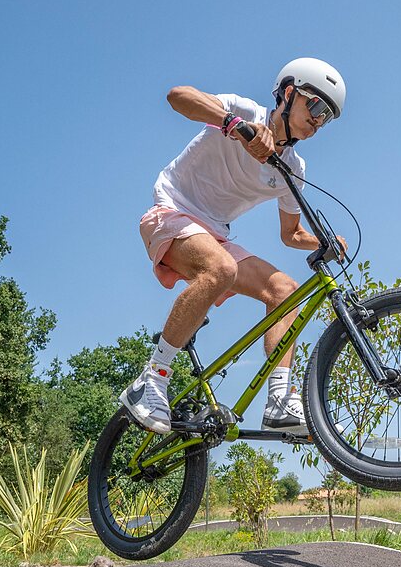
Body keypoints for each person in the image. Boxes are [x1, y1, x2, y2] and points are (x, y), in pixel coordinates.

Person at [120, 58, 347, 435]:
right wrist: (233, 125)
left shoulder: (293, 169)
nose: (319, 120)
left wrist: (324, 241)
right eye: (316, 106)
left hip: (214, 235)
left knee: (285, 291)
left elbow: (290, 233)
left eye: (327, 117)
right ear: (289, 93)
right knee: (220, 268)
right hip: (171, 211)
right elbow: (178, 97)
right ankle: (151, 379)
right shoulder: (246, 112)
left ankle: (279, 401)